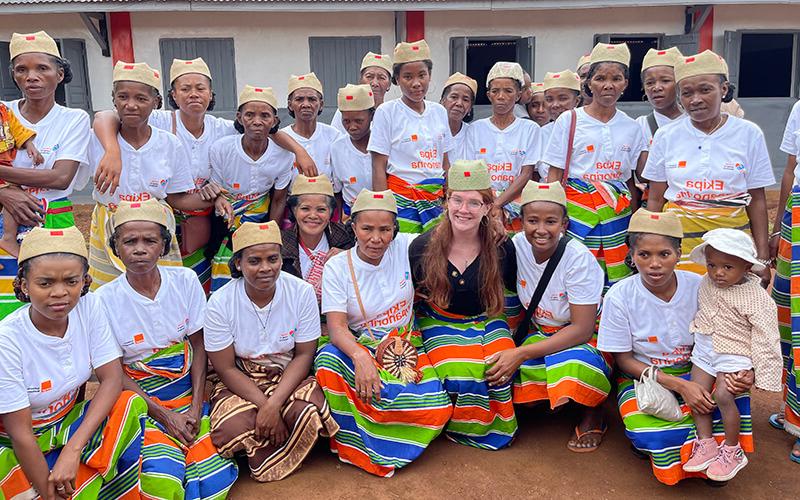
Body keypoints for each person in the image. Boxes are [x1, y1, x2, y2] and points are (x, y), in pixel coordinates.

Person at [92, 57, 318, 292]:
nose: (193, 94)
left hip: (203, 214)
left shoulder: (222, 128)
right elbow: (104, 117)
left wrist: (299, 151)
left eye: (200, 88)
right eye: (185, 88)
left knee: (189, 276)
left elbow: (265, 130)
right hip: (164, 211)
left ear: (211, 94)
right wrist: (112, 150)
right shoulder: (158, 119)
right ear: (172, 95)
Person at [597, 209, 756, 485]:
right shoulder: (620, 296)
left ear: (679, 253)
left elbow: (734, 330)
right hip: (647, 375)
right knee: (649, 433)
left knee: (730, 396)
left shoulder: (701, 286)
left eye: (664, 254)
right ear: (631, 255)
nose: (654, 264)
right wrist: (680, 386)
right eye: (644, 255)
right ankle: (662, 448)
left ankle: (719, 457)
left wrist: (744, 370)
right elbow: (623, 360)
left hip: (703, 367)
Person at [94, 199, 238, 498]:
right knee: (162, 476)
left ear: (164, 245)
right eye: (129, 241)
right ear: (115, 247)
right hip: (141, 403)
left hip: (189, 396)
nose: (139, 249)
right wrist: (164, 415)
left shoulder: (185, 280)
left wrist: (196, 408)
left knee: (212, 471)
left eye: (150, 240)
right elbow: (112, 372)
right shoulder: (102, 300)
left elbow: (200, 347)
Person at [0, 226, 147, 499]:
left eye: (71, 281)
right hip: (15, 444)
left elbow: (112, 379)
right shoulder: (7, 341)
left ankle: (74, 475)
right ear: (23, 285)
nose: (60, 293)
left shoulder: (89, 308)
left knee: (129, 404)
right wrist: (47, 492)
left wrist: (73, 449)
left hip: (67, 429)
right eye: (45, 283)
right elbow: (19, 434)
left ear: (84, 282)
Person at [314, 189, 452, 477]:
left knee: (437, 409)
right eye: (366, 229)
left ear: (395, 230)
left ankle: (393, 429)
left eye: (384, 229)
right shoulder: (338, 267)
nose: (375, 238)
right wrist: (360, 357)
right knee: (327, 360)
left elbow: (451, 231)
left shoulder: (407, 246)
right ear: (353, 228)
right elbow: (337, 328)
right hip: (360, 344)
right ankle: (357, 445)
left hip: (406, 347)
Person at [205, 221, 339, 482]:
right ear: (238, 264)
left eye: (273, 259)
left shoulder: (301, 292)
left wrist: (274, 404)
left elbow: (303, 355)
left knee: (310, 411)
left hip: (287, 373)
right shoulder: (220, 303)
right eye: (254, 261)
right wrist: (266, 406)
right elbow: (226, 368)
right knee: (230, 428)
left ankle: (274, 440)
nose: (265, 268)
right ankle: (280, 440)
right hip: (243, 378)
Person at [487, 180, 610, 452]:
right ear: (521, 222)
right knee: (498, 372)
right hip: (540, 332)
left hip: (580, 338)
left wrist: (520, 354)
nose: (541, 230)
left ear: (564, 224)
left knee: (578, 366)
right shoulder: (514, 247)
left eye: (551, 222)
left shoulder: (578, 259)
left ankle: (594, 412)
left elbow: (582, 329)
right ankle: (550, 399)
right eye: (532, 220)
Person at [87, 61, 227, 290]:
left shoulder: (169, 144)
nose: (131, 105)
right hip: (109, 226)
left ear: (156, 103)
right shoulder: (98, 139)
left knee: (160, 290)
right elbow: (102, 117)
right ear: (114, 99)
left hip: (156, 228)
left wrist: (215, 197)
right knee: (108, 292)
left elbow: (176, 198)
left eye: (141, 99)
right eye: (123, 97)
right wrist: (112, 150)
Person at [410, 160, 518, 450]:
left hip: (487, 318)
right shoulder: (422, 246)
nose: (463, 209)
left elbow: (515, 291)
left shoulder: (501, 247)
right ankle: (454, 424)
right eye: (457, 199)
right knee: (458, 373)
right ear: (446, 201)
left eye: (474, 202)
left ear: (487, 207)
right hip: (439, 318)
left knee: (499, 368)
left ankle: (488, 428)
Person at [642, 50, 774, 283]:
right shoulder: (666, 135)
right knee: (683, 306)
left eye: (705, 90)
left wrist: (762, 258)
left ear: (723, 90)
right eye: (687, 93)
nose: (695, 99)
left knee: (730, 309)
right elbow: (655, 198)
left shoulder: (748, 133)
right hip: (679, 242)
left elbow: (757, 198)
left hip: (732, 243)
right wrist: (650, 244)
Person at [0, 31, 92, 319]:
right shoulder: (3, 113)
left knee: (56, 303)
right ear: (13, 75)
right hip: (4, 220)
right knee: (7, 305)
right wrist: (4, 192)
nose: (32, 77)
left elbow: (60, 178)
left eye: (42, 68)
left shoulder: (73, 119)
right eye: (22, 69)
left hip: (54, 218)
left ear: (60, 74)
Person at [543, 43, 647, 290]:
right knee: (577, 274)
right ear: (588, 83)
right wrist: (552, 219)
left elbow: (631, 181)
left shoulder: (632, 127)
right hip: (577, 213)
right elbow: (555, 174)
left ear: (625, 83)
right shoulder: (570, 119)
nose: (608, 85)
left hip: (617, 216)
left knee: (616, 278)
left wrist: (631, 225)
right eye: (600, 78)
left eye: (616, 78)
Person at [682, 228, 781, 480]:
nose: (718, 272)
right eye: (712, 265)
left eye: (727, 267)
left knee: (724, 396)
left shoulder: (756, 298)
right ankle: (706, 443)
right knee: (697, 393)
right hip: (705, 345)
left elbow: (766, 337)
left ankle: (732, 448)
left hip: (735, 351)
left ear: (747, 266)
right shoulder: (706, 281)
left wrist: (756, 371)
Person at [207, 85, 294, 291]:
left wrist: (270, 233)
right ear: (239, 118)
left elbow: (279, 198)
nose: (257, 121)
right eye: (249, 115)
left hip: (261, 216)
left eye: (265, 115)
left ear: (275, 120)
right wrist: (219, 201)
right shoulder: (222, 148)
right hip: (224, 219)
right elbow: (216, 189)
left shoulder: (284, 155)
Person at [369, 39, 454, 233]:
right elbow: (378, 165)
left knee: (435, 255)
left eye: (422, 75)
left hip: (436, 202)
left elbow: (445, 163)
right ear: (397, 79)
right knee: (404, 254)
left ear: (430, 76)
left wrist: (449, 199)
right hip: (401, 201)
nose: (416, 83)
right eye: (408, 76)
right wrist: (383, 210)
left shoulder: (440, 111)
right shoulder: (386, 112)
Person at [466, 62, 541, 233]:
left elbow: (526, 173)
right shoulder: (475, 129)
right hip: (482, 203)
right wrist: (489, 203)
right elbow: (471, 172)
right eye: (495, 91)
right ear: (488, 95)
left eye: (508, 91)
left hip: (516, 202)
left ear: (518, 95)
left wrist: (499, 204)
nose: (501, 96)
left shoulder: (530, 129)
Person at [772, 89, 800, 461]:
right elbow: (792, 169)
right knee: (788, 315)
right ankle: (794, 410)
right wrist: (780, 226)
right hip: (797, 216)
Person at [281, 174, 353, 303]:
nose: (313, 215)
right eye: (305, 209)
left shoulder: (347, 239)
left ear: (331, 212)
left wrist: (349, 257)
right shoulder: (280, 244)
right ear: (294, 209)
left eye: (321, 209)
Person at [282, 73, 341, 187]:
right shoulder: (282, 138)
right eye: (299, 99)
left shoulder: (333, 136)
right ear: (290, 105)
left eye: (312, 99)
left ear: (321, 104)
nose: (306, 104)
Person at [0, 101, 43, 256]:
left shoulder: (3, 109)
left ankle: (11, 236)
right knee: (13, 193)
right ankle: (8, 238)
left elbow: (17, 129)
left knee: (15, 193)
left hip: (4, 165)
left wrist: (29, 144)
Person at [330, 84, 376, 217]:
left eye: (359, 121)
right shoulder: (337, 148)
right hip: (351, 216)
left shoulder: (382, 143)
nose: (352, 127)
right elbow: (337, 191)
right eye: (346, 121)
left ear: (371, 116)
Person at [330, 52, 392, 134]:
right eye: (369, 76)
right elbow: (336, 140)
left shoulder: (391, 113)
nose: (375, 83)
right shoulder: (347, 109)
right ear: (360, 80)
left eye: (381, 78)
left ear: (389, 84)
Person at [537, 70, 582, 181]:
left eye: (563, 98)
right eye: (549, 99)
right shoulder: (541, 132)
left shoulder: (585, 129)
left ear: (576, 101)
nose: (555, 105)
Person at [636, 47, 683, 145]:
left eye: (665, 81)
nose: (656, 88)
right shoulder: (640, 126)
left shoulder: (694, 122)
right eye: (650, 83)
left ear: (679, 84)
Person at [440, 72, 477, 163]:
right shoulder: (431, 130)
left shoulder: (473, 133)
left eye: (465, 99)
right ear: (443, 101)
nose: (459, 103)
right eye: (454, 97)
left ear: (470, 108)